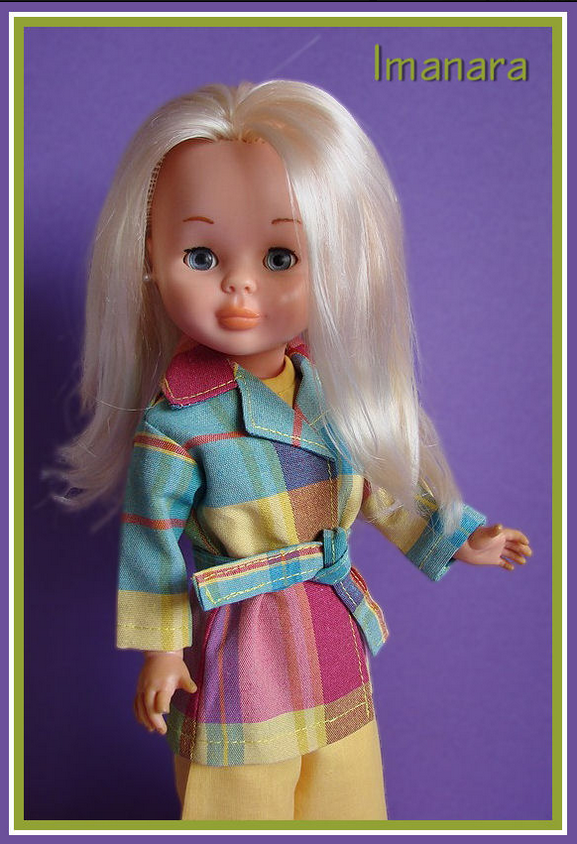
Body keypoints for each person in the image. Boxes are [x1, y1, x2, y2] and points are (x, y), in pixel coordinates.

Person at [57, 81, 531, 821]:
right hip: (243, 648)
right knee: (241, 797)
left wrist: (456, 534)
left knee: (346, 796)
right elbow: (151, 544)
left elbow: (380, 486)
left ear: (337, 261)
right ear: (150, 255)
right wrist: (161, 650)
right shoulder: (179, 422)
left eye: (281, 256)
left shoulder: (331, 394)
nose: (240, 285)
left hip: (330, 630)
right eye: (201, 255)